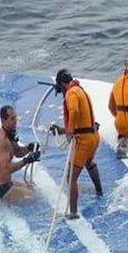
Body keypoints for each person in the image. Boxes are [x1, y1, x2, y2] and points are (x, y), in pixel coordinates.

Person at [50, 69, 103, 219]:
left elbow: (74, 111)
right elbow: (82, 123)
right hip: (94, 137)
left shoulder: (71, 93)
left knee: (71, 177)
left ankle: (73, 212)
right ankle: (99, 191)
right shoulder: (80, 90)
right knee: (89, 162)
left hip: (84, 141)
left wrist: (69, 131)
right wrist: (62, 130)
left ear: (62, 84)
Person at [0, 105, 41, 202]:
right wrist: (26, 160)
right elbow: (6, 169)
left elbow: (18, 152)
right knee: (33, 198)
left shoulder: (9, 133)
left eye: (15, 118)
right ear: (3, 121)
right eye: (12, 119)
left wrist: (29, 148)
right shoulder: (2, 140)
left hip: (7, 182)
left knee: (32, 188)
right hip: (1, 189)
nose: (15, 121)